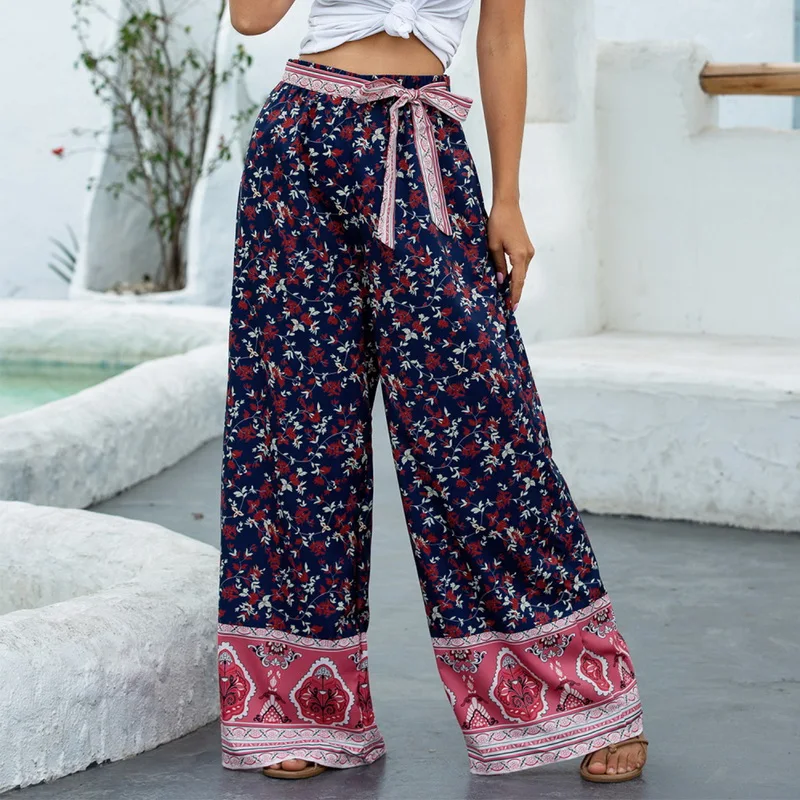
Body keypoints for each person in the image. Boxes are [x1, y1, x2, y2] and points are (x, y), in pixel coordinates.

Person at [218, 0, 648, 784]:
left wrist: (507, 198)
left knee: (483, 431)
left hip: (424, 151)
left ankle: (583, 691)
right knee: (299, 432)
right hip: (299, 150)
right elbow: (250, 18)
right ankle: (302, 703)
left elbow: (502, 36)